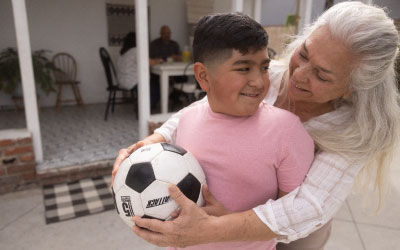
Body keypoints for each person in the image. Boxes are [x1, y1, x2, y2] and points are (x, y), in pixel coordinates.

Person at [112, 1, 400, 249]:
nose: (299, 74)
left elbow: (308, 206)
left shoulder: (356, 130)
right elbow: (203, 107)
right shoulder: (267, 76)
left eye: (321, 76)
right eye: (304, 53)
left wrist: (213, 228)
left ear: (351, 88)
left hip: (297, 229)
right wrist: (158, 136)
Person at [173, 13, 314, 250]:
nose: (259, 82)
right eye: (244, 69)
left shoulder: (287, 131)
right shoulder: (186, 119)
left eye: (264, 67)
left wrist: (227, 223)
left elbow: (292, 216)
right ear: (203, 76)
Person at [117, 32, 162, 109]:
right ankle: (143, 109)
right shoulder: (136, 50)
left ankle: (148, 106)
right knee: (156, 90)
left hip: (122, 81)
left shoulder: (123, 52)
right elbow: (149, 63)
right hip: (133, 81)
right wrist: (160, 60)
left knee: (153, 83)